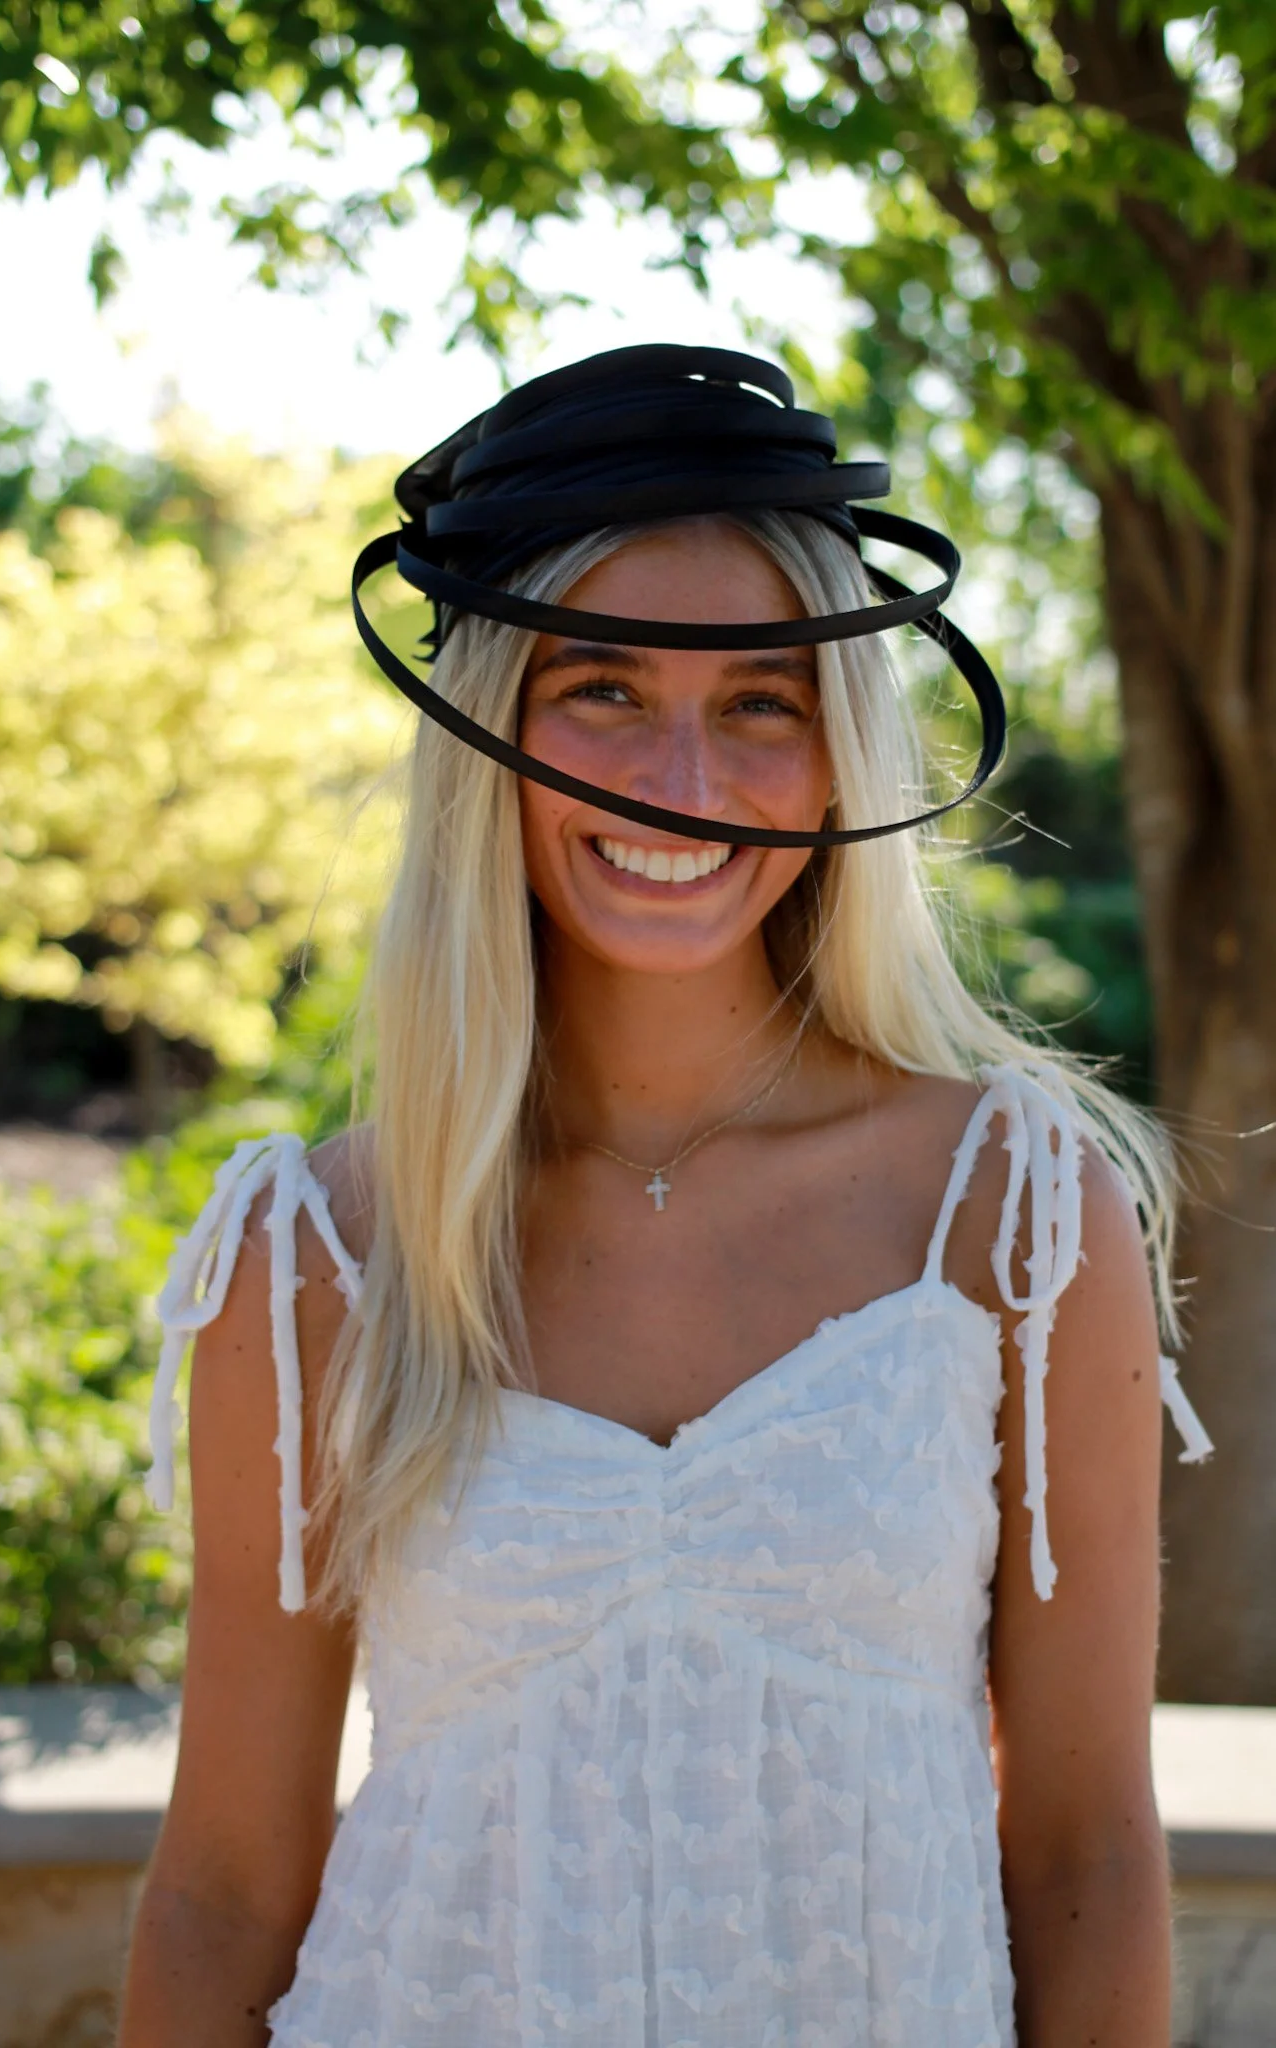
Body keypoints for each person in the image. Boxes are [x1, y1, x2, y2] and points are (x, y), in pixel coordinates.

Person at [118, 347, 1211, 2048]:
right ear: (491, 731)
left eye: (759, 703)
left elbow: (1085, 1847)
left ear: (839, 755)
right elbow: (223, 1893)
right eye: (603, 691)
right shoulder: (313, 1257)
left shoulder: (1018, 1218)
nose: (677, 781)